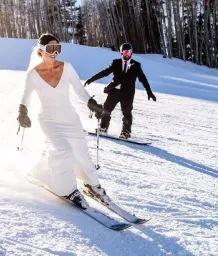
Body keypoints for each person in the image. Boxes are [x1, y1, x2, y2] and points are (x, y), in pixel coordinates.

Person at [18, 33, 110, 209]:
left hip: (70, 118)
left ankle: (93, 185)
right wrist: (22, 112)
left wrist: (93, 104)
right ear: (41, 50)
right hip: (49, 120)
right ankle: (68, 190)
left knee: (83, 155)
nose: (54, 52)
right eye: (50, 48)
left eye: (58, 48)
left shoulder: (67, 67)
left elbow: (79, 91)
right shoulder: (33, 75)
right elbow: (26, 96)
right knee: (64, 150)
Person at [84, 43, 157, 139]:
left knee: (126, 112)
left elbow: (143, 79)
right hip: (114, 91)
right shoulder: (116, 62)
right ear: (121, 52)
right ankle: (103, 127)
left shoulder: (136, 65)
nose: (127, 54)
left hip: (127, 93)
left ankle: (126, 132)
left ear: (131, 53)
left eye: (129, 52)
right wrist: (91, 79)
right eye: (125, 51)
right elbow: (104, 73)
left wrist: (149, 92)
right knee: (106, 109)